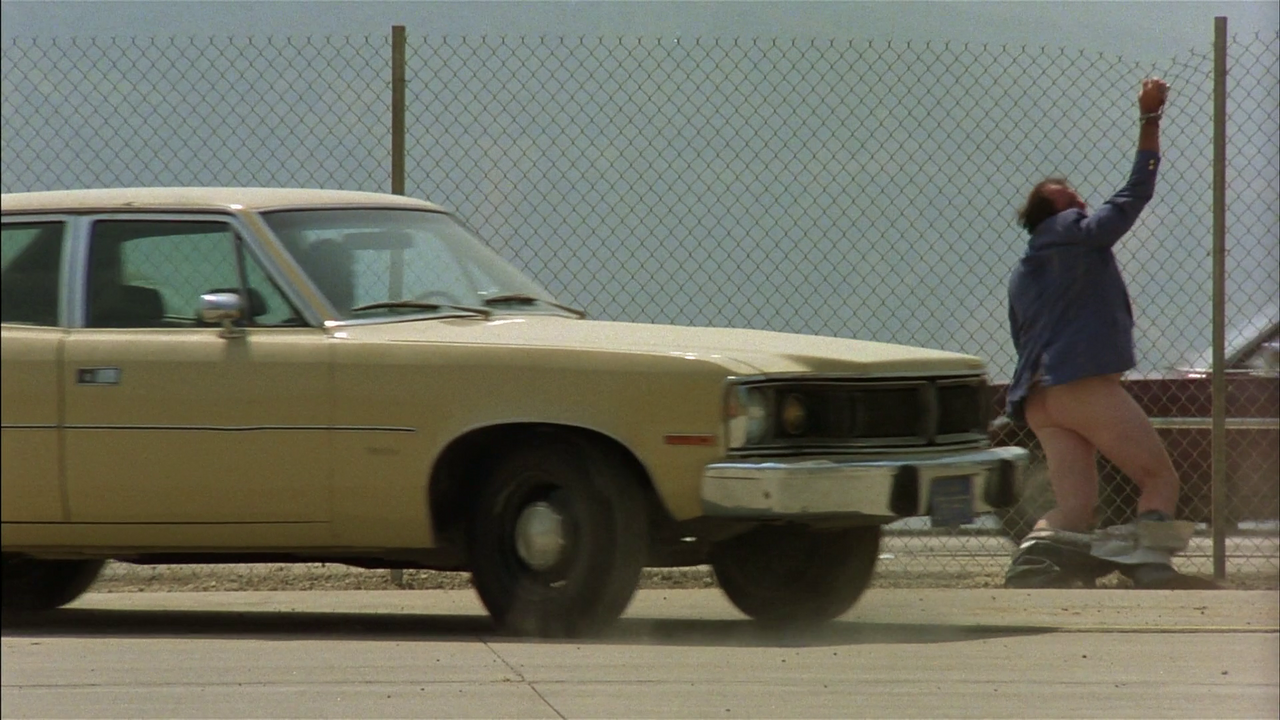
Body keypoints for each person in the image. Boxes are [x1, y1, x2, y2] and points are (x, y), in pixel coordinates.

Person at [1002, 77, 1214, 590]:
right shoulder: (1076, 234)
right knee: (1158, 477)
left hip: (1039, 399)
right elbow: (1135, 193)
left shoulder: (1023, 272)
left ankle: (1032, 562)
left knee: (1075, 507)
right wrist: (1150, 119)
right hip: (1082, 388)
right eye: (1074, 200)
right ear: (1059, 216)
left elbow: (1020, 335)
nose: (1083, 204)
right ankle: (1151, 566)